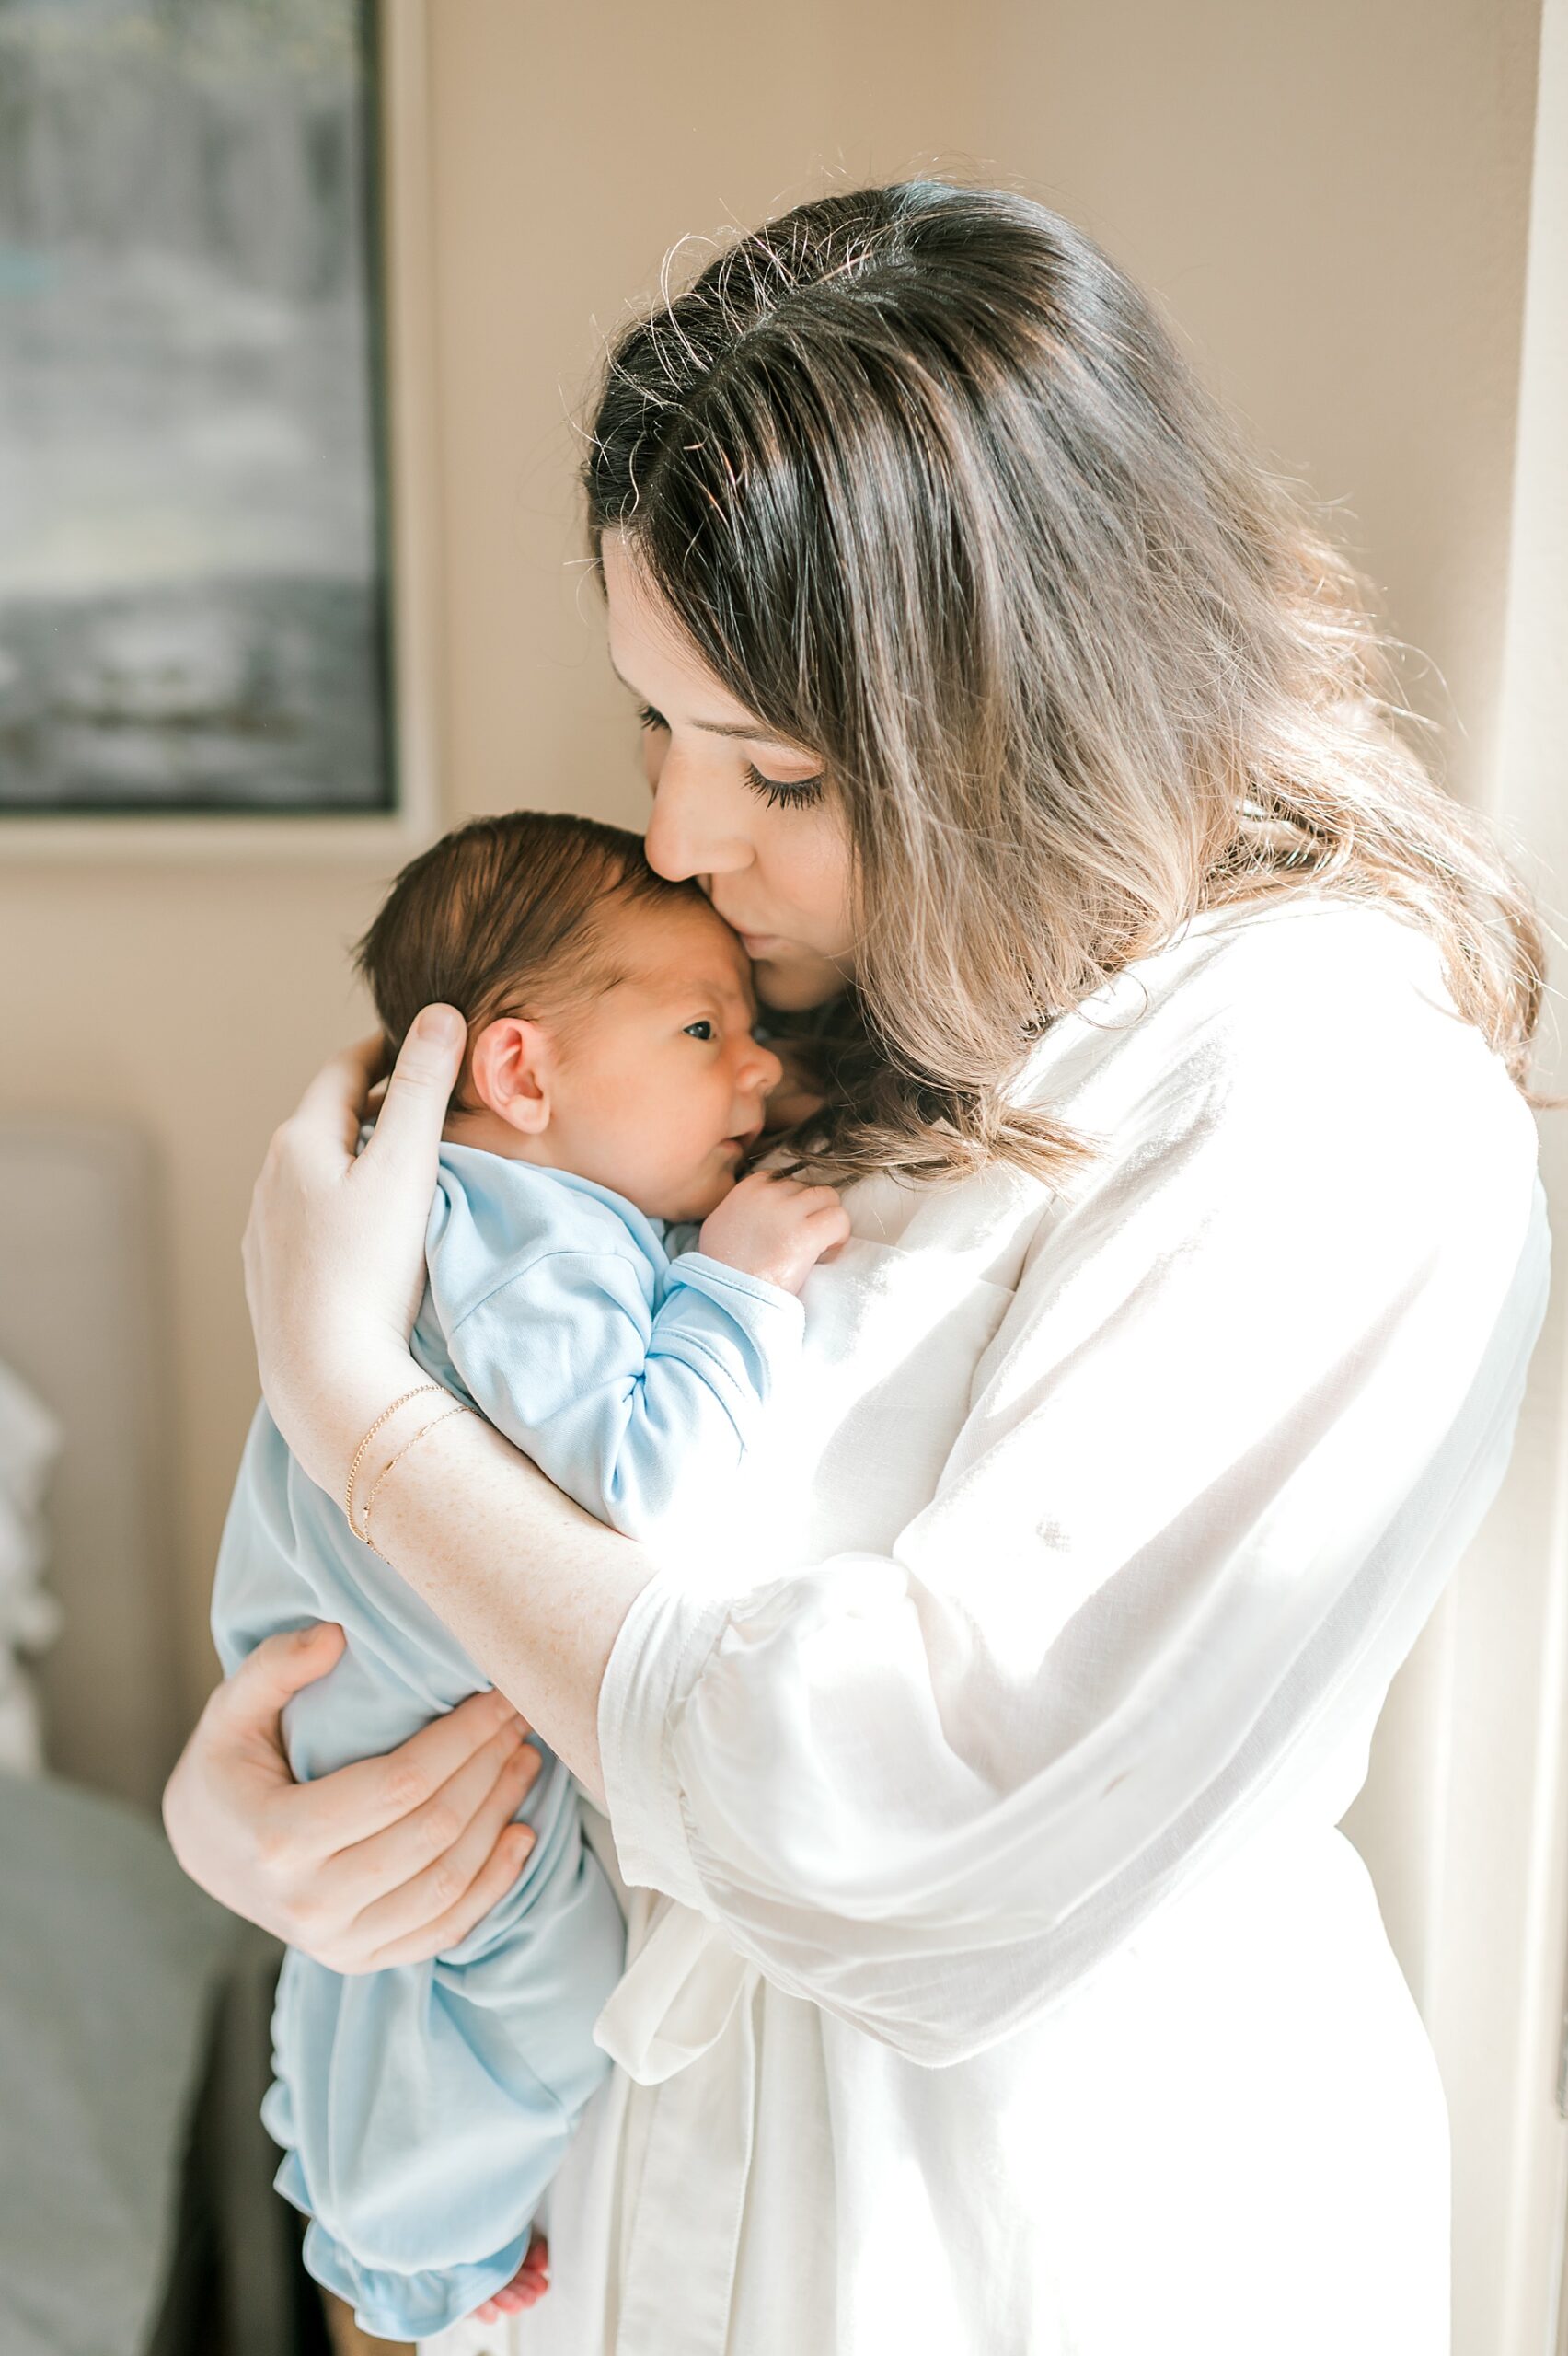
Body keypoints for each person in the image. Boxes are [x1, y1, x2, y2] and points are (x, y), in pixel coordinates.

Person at [164, 181, 1550, 2355]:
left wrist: (363, 1419)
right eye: (660, 730)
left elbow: (906, 1815)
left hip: (1028, 2256)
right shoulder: (794, 1020)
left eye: (778, 768)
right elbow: (529, 1570)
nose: (684, 840)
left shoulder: (1328, 1110)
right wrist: (266, 1819)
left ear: (1029, 717)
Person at [210, 809, 845, 2339]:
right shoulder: (533, 1235)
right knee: (540, 1993)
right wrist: (736, 1290)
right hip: (407, 1707)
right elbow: (638, 1483)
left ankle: (383, 2222)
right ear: (520, 1072)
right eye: (705, 1029)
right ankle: (409, 2253)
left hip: (378, 1697)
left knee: (410, 1981)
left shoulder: (483, 1214)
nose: (755, 1073)